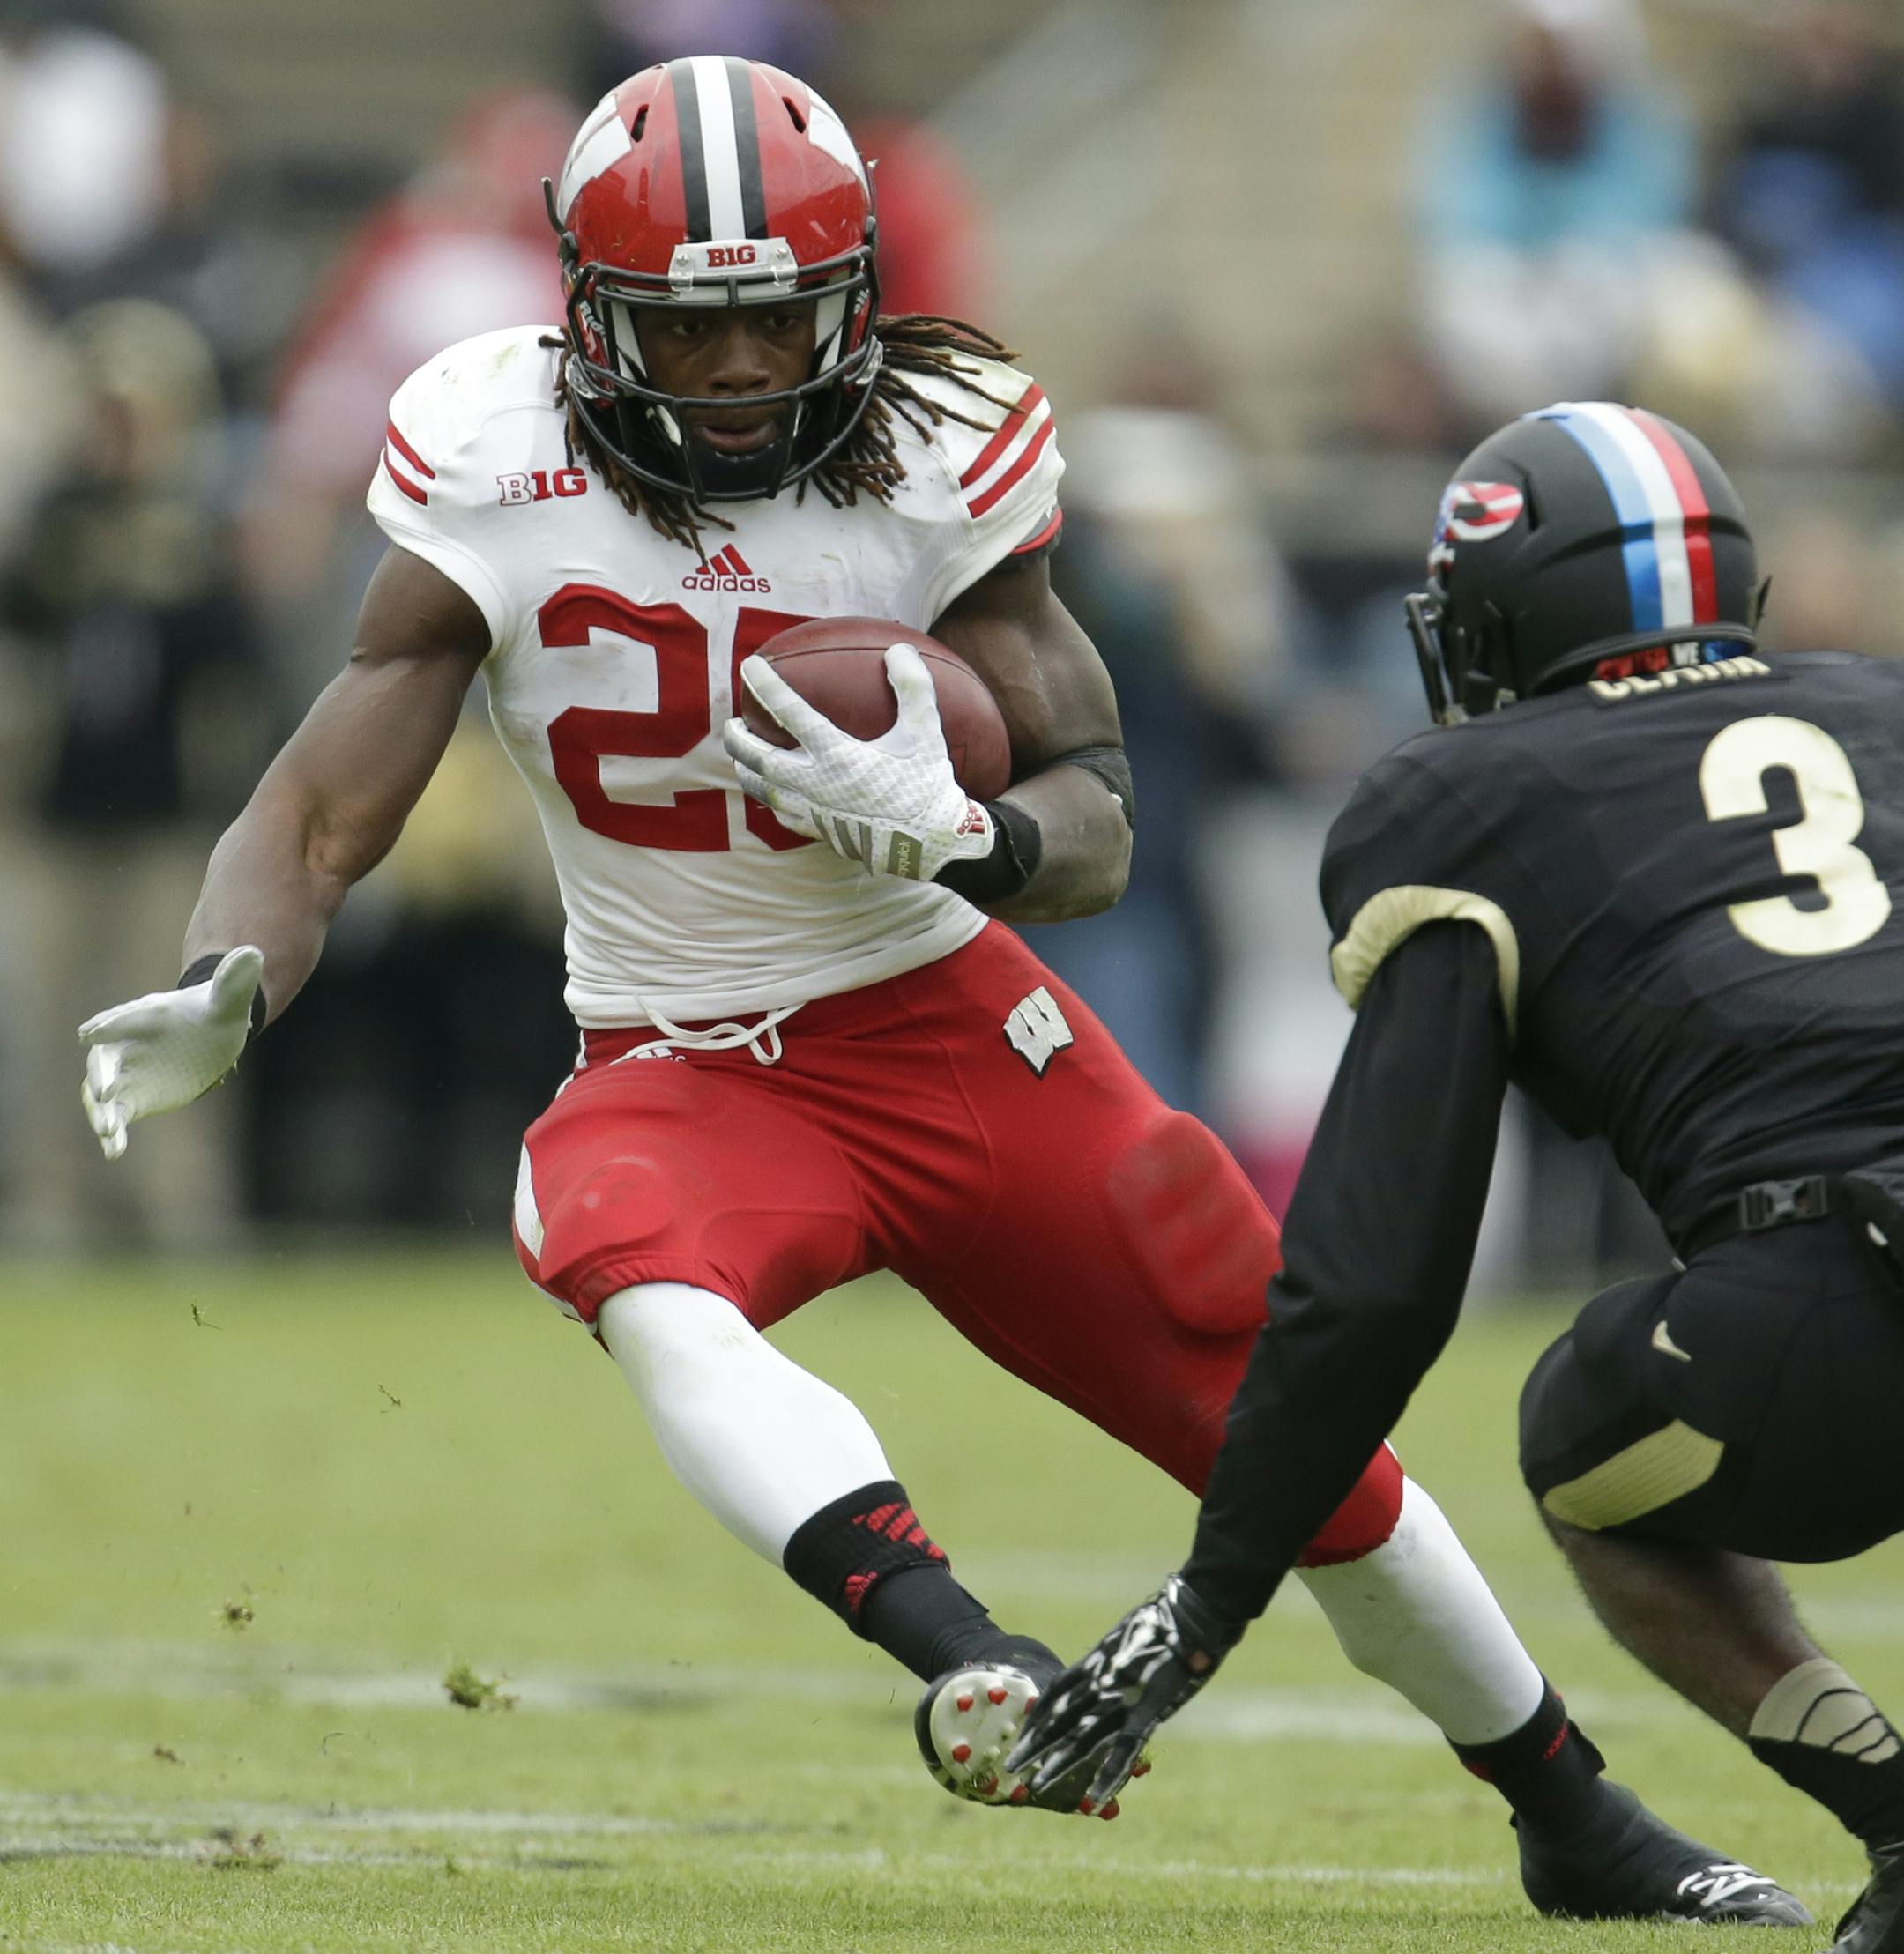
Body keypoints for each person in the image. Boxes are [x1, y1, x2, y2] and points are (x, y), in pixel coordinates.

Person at [75, 64, 1794, 1917]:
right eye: (691, 321)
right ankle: (964, 1649)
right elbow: (327, 795)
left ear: (858, 296)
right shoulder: (492, 455)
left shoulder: (938, 444)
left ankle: (1573, 1810)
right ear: (586, 311)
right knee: (632, 1266)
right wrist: (230, 970)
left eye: (776, 316)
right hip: (677, 1048)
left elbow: (1104, 817)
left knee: (1282, 1414)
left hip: (946, 1022)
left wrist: (965, 839)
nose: (739, 368)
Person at [1008, 401, 1904, 1947]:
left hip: (1826, 1323)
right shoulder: (1881, 709)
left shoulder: (1465, 799)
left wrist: (1212, 1594)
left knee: (1584, 1429)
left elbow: (1372, 1274)